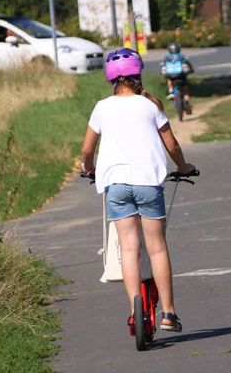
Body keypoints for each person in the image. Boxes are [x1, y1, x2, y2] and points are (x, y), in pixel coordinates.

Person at [81, 48, 196, 333]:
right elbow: (172, 146)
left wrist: (89, 168)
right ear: (138, 75)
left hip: (116, 186)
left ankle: (137, 313)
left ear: (111, 79)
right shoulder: (151, 106)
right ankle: (168, 313)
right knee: (156, 249)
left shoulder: (102, 107)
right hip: (147, 183)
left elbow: (87, 150)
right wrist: (183, 168)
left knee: (129, 249)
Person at [161, 41, 195, 113]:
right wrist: (191, 69)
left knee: (169, 80)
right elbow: (187, 63)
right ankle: (187, 103)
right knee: (185, 89)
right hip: (181, 75)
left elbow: (163, 65)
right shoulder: (181, 56)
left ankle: (171, 91)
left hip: (171, 76)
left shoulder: (167, 57)